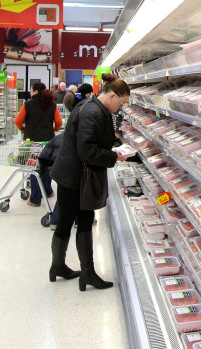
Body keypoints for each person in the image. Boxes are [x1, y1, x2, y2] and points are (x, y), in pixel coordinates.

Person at [49, 74, 130, 289]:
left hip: (74, 174)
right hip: (75, 176)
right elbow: (87, 151)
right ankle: (80, 272)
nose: (120, 108)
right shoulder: (92, 112)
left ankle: (65, 268)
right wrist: (114, 156)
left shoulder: (91, 106)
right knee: (79, 221)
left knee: (71, 221)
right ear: (112, 95)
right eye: (121, 103)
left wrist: (110, 149)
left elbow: (89, 143)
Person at [14, 82, 63, 206]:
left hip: (32, 142)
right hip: (48, 141)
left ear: (35, 91)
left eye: (31, 90)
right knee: (46, 165)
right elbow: (58, 122)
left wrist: (24, 129)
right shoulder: (52, 105)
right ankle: (48, 190)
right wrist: (55, 129)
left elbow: (18, 121)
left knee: (34, 167)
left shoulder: (27, 105)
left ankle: (35, 198)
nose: (30, 92)